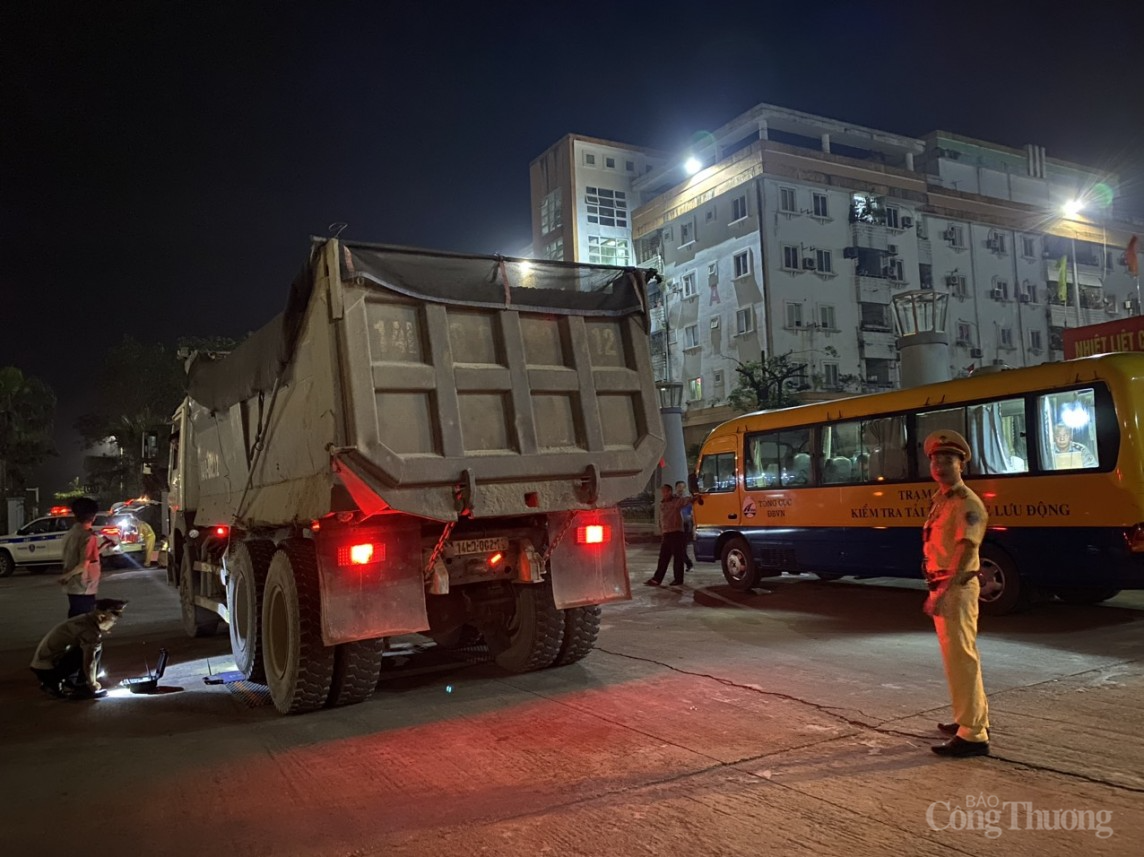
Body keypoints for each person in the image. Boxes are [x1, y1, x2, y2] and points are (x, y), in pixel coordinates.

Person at [921, 430, 994, 758]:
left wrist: (946, 591)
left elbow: (967, 548)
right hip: (945, 584)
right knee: (960, 658)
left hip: (956, 587)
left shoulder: (967, 502)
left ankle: (973, 735)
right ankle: (971, 719)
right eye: (936, 459)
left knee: (961, 659)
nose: (940, 464)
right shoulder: (942, 500)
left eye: (948, 459)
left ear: (962, 464)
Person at [30, 598, 128, 699]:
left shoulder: (84, 620)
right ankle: (83, 687)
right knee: (93, 649)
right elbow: (89, 661)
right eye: (113, 620)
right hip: (49, 669)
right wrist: (92, 683)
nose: (113, 624)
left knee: (90, 647)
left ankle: (64, 683)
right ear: (102, 616)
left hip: (42, 666)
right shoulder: (90, 630)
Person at [645, 483, 699, 587]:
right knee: (663, 558)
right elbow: (661, 519)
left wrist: (696, 497)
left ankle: (678, 579)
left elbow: (687, 500)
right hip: (667, 534)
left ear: (670, 492)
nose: (663, 494)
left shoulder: (676, 501)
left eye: (665, 492)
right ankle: (657, 579)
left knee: (678, 558)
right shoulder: (662, 503)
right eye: (663, 492)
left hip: (676, 533)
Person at [58, 497, 103, 617]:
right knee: (83, 623)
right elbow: (84, 563)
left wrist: (104, 546)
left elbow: (85, 555)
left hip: (73, 587)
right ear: (93, 517)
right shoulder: (88, 536)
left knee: (74, 620)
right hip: (84, 587)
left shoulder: (70, 534)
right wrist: (67, 576)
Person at [674, 480, 695, 572]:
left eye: (683, 487)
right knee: (677, 548)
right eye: (679, 487)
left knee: (682, 547)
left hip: (685, 525)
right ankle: (687, 563)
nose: (681, 489)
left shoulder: (688, 500)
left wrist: (690, 517)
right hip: (675, 526)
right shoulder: (673, 499)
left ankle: (687, 564)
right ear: (676, 488)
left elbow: (692, 512)